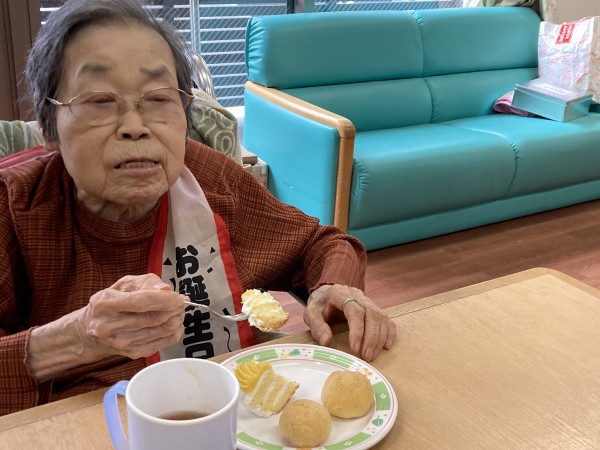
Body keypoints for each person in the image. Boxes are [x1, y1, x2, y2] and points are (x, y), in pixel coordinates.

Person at [0, 0, 396, 416]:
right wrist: (78, 337)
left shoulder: (208, 179)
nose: (135, 126)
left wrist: (334, 286)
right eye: (99, 100)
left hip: (232, 412)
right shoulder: (15, 205)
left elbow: (321, 243)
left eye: (159, 99)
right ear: (48, 126)